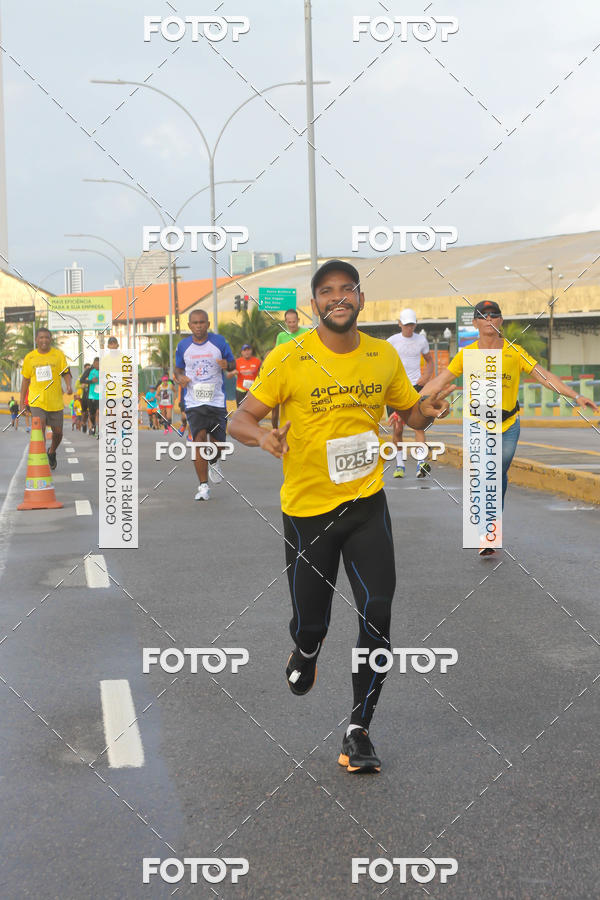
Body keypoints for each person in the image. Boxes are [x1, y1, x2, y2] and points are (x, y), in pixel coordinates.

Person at [229, 260, 450, 773]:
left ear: (360, 299)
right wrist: (262, 435)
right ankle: (306, 650)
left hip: (366, 503)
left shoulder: (381, 355)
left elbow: (408, 411)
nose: (338, 298)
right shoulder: (290, 357)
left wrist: (427, 410)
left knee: (378, 610)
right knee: (311, 622)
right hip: (308, 511)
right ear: (315, 304)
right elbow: (240, 417)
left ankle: (359, 730)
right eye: (326, 291)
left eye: (346, 289)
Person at [424, 298, 599, 555]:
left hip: (508, 425)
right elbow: (439, 382)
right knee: (485, 476)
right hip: (478, 424)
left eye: (494, 315)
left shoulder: (514, 352)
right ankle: (487, 534)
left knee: (497, 476)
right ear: (475, 323)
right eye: (483, 316)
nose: (489, 319)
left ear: (501, 320)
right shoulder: (467, 355)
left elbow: (544, 376)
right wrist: (411, 402)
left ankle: (491, 523)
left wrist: (576, 395)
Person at [174, 309, 235, 500]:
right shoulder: (183, 346)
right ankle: (203, 486)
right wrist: (179, 377)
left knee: (219, 445)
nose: (198, 326)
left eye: (202, 322)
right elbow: (177, 369)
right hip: (194, 402)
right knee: (198, 440)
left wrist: (227, 365)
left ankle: (214, 461)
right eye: (195, 323)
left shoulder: (219, 342)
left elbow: (232, 364)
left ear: (208, 324)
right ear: (189, 325)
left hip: (216, 401)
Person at [386, 308, 434, 478]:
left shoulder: (421, 340)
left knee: (418, 426)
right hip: (396, 389)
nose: (409, 328)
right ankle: (400, 465)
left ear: (416, 324)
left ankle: (421, 463)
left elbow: (430, 361)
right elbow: (383, 363)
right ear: (399, 323)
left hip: (415, 388)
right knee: (398, 428)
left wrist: (426, 376)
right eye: (406, 325)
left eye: (412, 325)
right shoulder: (391, 341)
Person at [19, 328, 72, 469]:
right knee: (40, 428)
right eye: (41, 337)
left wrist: (68, 385)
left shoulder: (58, 355)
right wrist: (22, 403)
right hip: (37, 401)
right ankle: (41, 459)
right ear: (36, 340)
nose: (44, 340)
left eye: (47, 337)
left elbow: (66, 373)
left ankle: (52, 451)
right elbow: (25, 381)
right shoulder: (30, 358)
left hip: (55, 401)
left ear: (50, 339)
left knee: (58, 433)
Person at [272, 309, 311, 428]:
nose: (292, 325)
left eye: (294, 322)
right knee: (278, 409)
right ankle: (276, 431)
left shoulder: (306, 333)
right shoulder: (281, 336)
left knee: (302, 407)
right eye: (289, 322)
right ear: (285, 322)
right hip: (286, 376)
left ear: (298, 320)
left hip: (303, 376)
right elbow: (277, 356)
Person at [85, 357, 100, 437]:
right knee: (91, 414)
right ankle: (92, 426)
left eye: (99, 364)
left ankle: (98, 429)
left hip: (101, 396)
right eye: (96, 364)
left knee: (99, 412)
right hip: (92, 396)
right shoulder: (92, 372)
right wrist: (91, 381)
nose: (97, 365)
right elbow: (87, 381)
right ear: (94, 364)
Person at [78, 363, 92, 433]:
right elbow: (77, 385)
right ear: (84, 369)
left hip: (90, 397)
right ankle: (83, 423)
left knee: (90, 413)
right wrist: (82, 386)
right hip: (82, 397)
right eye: (87, 369)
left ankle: (90, 428)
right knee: (84, 413)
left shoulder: (92, 376)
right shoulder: (81, 377)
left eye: (89, 369)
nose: (88, 370)